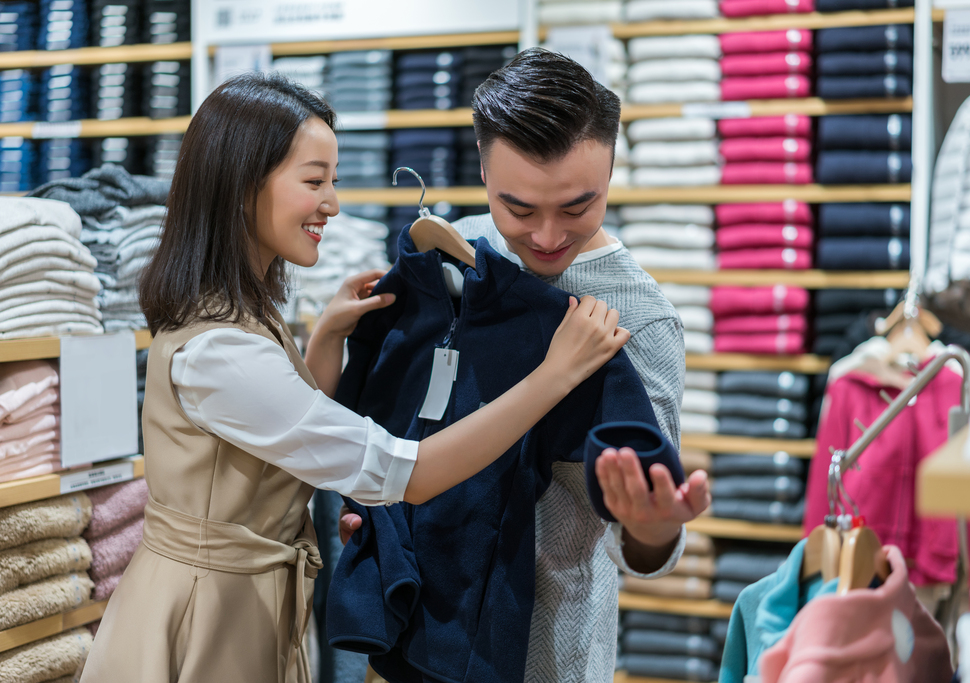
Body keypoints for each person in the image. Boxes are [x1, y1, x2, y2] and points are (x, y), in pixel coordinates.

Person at [79, 72, 631, 683]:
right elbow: (407, 474)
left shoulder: (237, 312)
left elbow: (286, 432)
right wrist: (552, 376)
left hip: (239, 597)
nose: (333, 204)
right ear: (241, 185)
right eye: (315, 181)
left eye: (333, 181)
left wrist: (328, 338)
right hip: (203, 614)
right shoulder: (222, 352)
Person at [340, 49, 712, 682]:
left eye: (575, 208)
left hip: (545, 655)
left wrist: (651, 531)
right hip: (414, 628)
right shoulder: (459, 256)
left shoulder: (638, 319)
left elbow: (641, 532)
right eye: (519, 209)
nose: (545, 236)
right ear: (483, 168)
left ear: (611, 168)